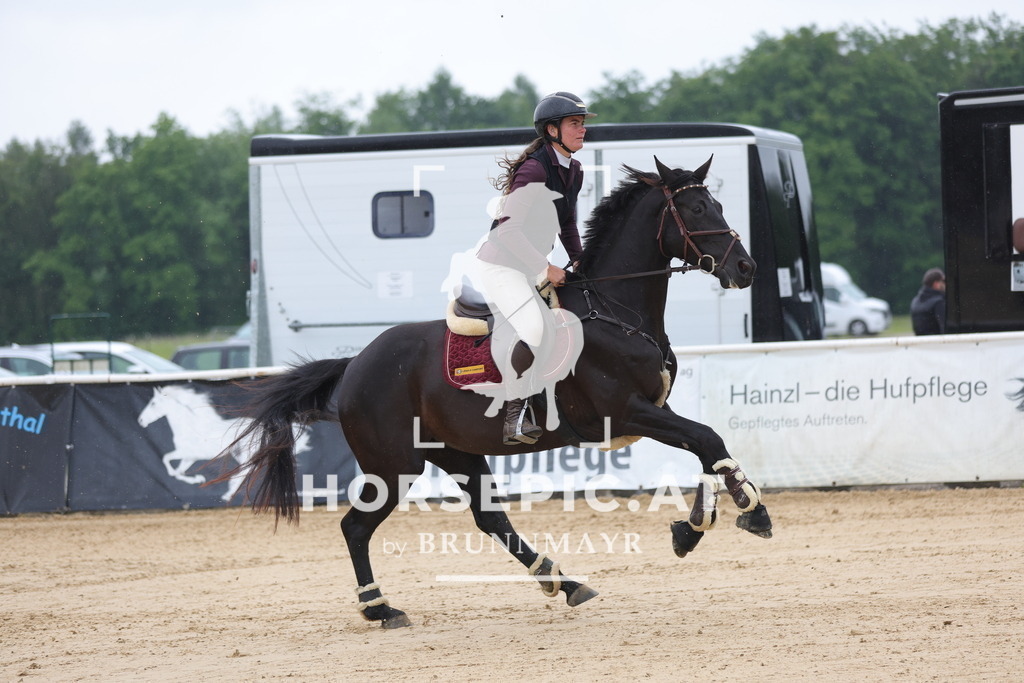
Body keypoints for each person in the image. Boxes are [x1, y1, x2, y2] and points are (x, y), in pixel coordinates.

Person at [475, 91, 595, 445]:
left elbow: (568, 223)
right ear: (552, 130)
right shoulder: (534, 169)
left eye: (583, 123)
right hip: (503, 267)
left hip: (529, 266)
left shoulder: (573, 170)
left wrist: (581, 261)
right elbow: (507, 229)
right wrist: (545, 268)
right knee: (535, 328)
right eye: (575, 123)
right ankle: (514, 416)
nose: (582, 129)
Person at [910, 267, 946, 335]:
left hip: (921, 343)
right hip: (937, 343)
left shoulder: (915, 301)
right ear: (936, 284)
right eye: (943, 281)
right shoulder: (939, 302)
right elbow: (945, 329)